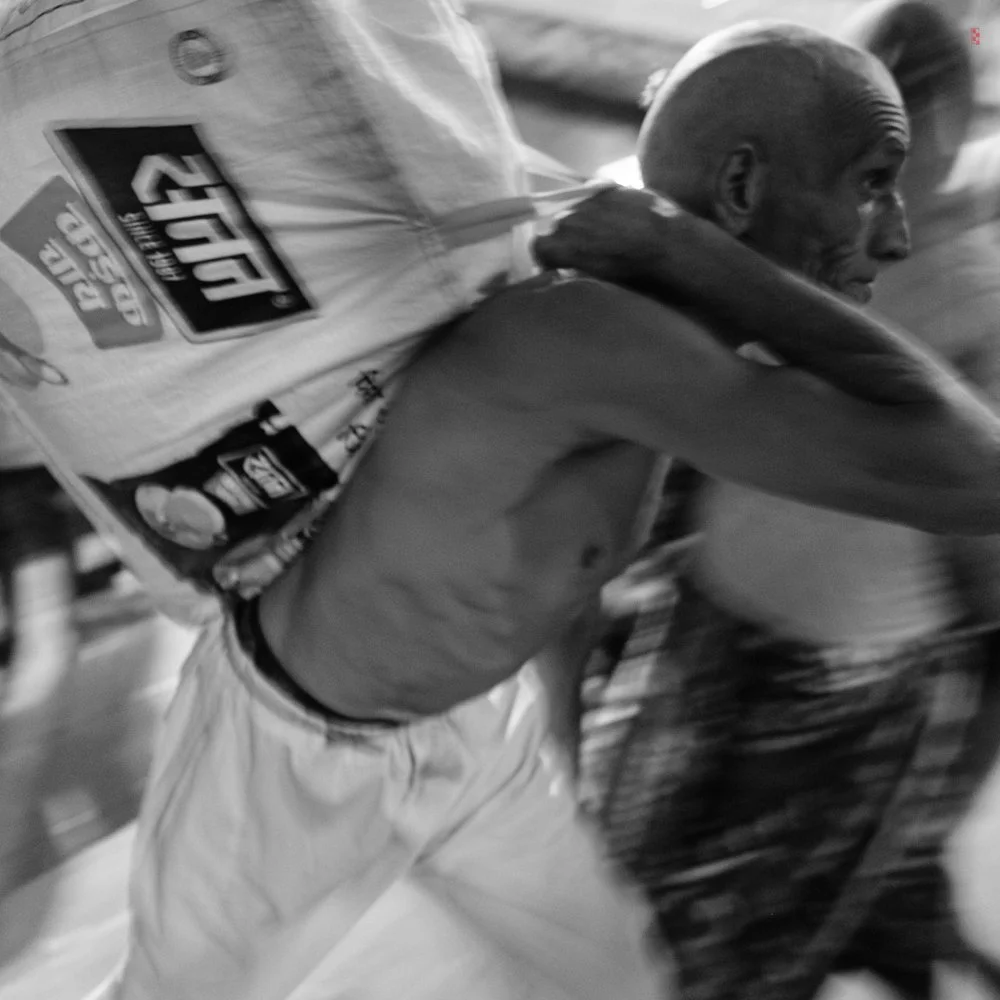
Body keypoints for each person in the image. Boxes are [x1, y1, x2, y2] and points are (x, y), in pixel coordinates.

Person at [6, 6, 1000, 999]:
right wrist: (701, 256)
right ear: (741, 184)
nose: (900, 229)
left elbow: (568, 571)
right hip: (288, 755)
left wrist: (562, 744)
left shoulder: (648, 309)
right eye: (873, 186)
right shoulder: (598, 334)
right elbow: (973, 474)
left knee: (619, 983)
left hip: (473, 737)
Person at [584, 5, 1000, 999]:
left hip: (850, 684)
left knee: (737, 946)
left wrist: (944, 786)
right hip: (703, 625)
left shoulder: (973, 295)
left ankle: (896, 907)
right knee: (623, 891)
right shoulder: (782, 220)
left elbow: (989, 583)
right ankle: (897, 912)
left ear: (947, 121)